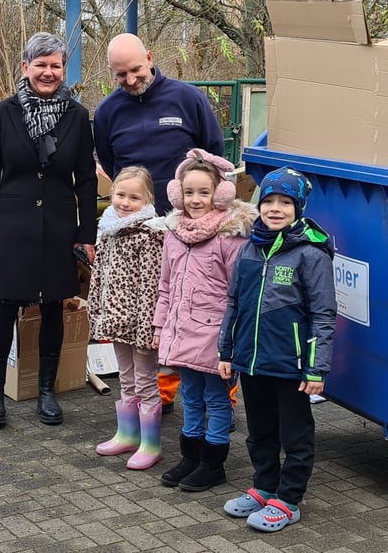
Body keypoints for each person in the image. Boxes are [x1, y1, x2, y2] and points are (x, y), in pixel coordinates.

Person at [93, 32, 230, 416]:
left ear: (150, 57)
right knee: (152, 310)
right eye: (121, 75)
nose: (131, 80)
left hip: (192, 223)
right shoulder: (106, 112)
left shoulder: (188, 98)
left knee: (203, 305)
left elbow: (214, 155)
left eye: (136, 70)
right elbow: (112, 164)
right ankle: (162, 392)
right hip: (139, 228)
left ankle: (221, 398)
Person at [0, 32, 97, 429]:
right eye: (40, 64)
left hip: (59, 227)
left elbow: (86, 181)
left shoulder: (77, 117)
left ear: (64, 70)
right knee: (6, 305)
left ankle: (46, 391)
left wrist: (86, 233)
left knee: (52, 307)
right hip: (13, 226)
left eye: (55, 65)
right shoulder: (4, 112)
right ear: (25, 67)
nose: (48, 72)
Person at [217, 167, 337, 532]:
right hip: (252, 361)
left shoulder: (311, 255)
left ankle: (288, 500)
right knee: (260, 431)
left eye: (285, 201)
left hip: (292, 366)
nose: (275, 208)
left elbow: (323, 314)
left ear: (298, 207)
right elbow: (233, 303)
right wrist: (226, 351)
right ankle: (264, 486)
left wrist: (316, 369)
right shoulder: (249, 249)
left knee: (295, 434)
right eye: (268, 200)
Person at [152, 148, 257, 492]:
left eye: (204, 192)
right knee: (190, 395)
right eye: (189, 192)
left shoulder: (230, 238)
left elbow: (238, 293)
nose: (195, 199)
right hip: (180, 332)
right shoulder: (173, 234)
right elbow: (165, 286)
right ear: (177, 193)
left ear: (221, 194)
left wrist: (230, 341)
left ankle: (213, 463)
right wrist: (159, 327)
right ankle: (191, 456)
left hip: (214, 335)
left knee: (216, 397)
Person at [88, 166, 165, 470]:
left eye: (135, 197)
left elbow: (152, 285)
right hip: (116, 320)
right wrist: (97, 313)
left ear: (147, 199)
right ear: (111, 193)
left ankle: (151, 443)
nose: (125, 202)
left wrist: (150, 327)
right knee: (126, 378)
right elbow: (98, 277)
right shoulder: (107, 229)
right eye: (121, 194)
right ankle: (128, 434)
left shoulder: (149, 234)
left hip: (140, 324)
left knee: (146, 382)